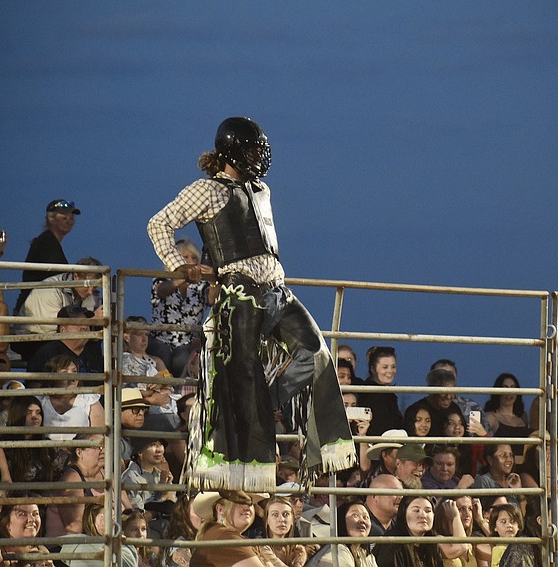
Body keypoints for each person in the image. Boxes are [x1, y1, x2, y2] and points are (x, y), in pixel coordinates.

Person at [147, 116, 355, 491]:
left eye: (260, 150)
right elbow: (159, 223)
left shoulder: (263, 189)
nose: (258, 157)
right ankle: (249, 459)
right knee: (241, 372)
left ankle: (271, 401)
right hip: (238, 291)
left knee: (316, 352)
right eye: (251, 151)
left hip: (276, 289)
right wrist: (178, 264)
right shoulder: (206, 190)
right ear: (232, 152)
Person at [147, 238, 217, 377]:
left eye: (194, 258)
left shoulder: (201, 286)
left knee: (182, 360)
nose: (190, 261)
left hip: (188, 342)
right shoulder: (162, 279)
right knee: (162, 355)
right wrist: (184, 277)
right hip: (161, 339)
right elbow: (161, 291)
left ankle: (182, 394)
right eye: (185, 257)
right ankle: (166, 392)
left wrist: (214, 280)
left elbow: (212, 299)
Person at [16, 257, 103, 360]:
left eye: (95, 288)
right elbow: (55, 328)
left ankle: (94, 373)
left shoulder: (86, 294)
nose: (90, 292)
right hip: (32, 338)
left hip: (61, 337)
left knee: (95, 341)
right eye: (88, 286)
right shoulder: (50, 288)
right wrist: (92, 321)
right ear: (76, 276)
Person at [13, 198, 81, 314]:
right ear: (51, 218)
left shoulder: (46, 240)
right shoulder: (47, 243)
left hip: (36, 305)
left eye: (71, 218)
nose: (69, 221)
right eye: (64, 218)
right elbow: (58, 275)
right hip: (35, 309)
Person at [189, 490, 269, 567]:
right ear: (220, 509)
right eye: (240, 501)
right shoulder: (223, 536)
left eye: (250, 503)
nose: (247, 507)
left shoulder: (218, 534)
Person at [36, 353, 104, 441]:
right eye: (65, 372)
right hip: (44, 452)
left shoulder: (89, 399)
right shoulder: (40, 399)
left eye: (74, 371)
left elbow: (98, 435)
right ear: (52, 377)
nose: (72, 376)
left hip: (78, 452)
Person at [2, 395, 65, 483]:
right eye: (29, 412)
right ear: (18, 415)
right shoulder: (4, 445)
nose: (35, 417)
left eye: (38, 412)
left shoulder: (47, 445)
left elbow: (60, 476)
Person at [27, 305, 103, 375]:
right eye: (78, 323)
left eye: (87, 322)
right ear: (63, 330)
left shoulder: (93, 353)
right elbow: (35, 385)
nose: (84, 327)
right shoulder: (46, 354)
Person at [58, 503, 139, 567]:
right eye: (109, 516)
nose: (113, 521)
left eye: (114, 517)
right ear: (92, 520)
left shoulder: (121, 542)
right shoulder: (82, 546)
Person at [373, 495, 444, 567]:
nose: (423, 515)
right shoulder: (392, 544)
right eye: (416, 510)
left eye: (428, 511)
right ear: (404, 514)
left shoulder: (432, 543)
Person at [307, 499, 379, 567]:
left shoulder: (366, 554)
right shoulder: (337, 552)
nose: (362, 521)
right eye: (355, 515)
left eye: (366, 517)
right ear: (341, 521)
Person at [0, 499, 53, 567]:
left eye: (35, 514)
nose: (32, 519)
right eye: (22, 514)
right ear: (6, 523)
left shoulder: (41, 549)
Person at [403, 368, 466, 437]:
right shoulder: (415, 410)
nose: (448, 396)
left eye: (452, 391)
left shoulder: (454, 408)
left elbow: (465, 440)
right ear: (432, 390)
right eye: (444, 392)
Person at [484, 373, 532, 463]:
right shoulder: (490, 417)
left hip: (524, 467)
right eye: (505, 387)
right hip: (502, 467)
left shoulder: (523, 416)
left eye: (512, 387)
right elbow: (485, 447)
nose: (509, 392)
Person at [357, 346, 403, 436]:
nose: (390, 371)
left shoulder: (388, 394)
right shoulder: (370, 395)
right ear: (372, 368)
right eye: (385, 367)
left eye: (393, 367)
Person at [255, 496, 308, 567]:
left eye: (286, 514)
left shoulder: (298, 550)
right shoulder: (260, 546)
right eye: (275, 514)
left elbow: (300, 549)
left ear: (292, 520)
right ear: (267, 520)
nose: (281, 519)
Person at [473, 444, 523, 509]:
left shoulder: (512, 481)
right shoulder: (484, 481)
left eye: (511, 455)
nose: (509, 459)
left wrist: (519, 490)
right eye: (503, 455)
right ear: (490, 460)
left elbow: (523, 513)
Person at [163, 494, 204, 567]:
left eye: (202, 510)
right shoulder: (178, 543)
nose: (202, 515)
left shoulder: (199, 539)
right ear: (185, 515)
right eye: (197, 511)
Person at [433, 498, 472, 566]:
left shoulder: (470, 544)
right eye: (461, 509)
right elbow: (462, 547)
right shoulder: (438, 541)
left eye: (470, 509)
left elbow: (494, 549)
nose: (467, 514)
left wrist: (480, 520)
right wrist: (455, 516)